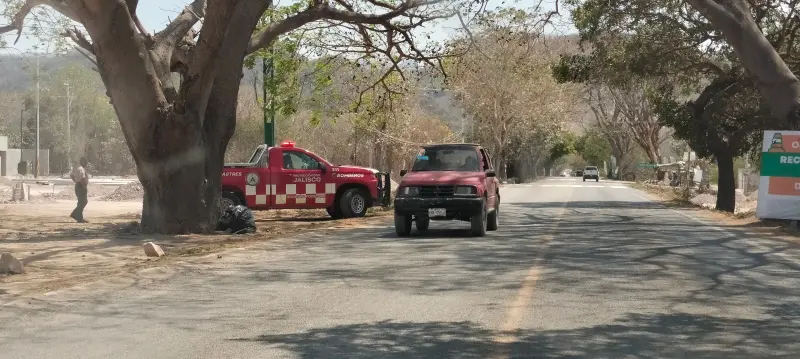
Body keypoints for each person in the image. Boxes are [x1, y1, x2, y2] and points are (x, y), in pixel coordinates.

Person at [70, 157, 89, 223]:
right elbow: (83, 179)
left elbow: (71, 175)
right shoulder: (81, 169)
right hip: (81, 186)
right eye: (86, 162)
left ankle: (79, 217)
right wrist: (84, 186)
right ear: (83, 162)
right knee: (84, 201)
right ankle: (75, 214)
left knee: (81, 202)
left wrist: (75, 181)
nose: (86, 164)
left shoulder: (77, 168)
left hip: (78, 186)